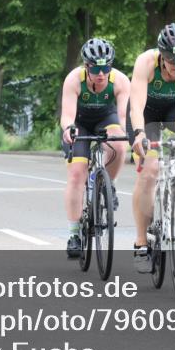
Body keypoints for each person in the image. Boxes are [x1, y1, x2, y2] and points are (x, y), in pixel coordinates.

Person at [128, 23, 175, 273]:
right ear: (161, 54)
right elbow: (136, 105)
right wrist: (139, 134)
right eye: (169, 58)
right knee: (150, 170)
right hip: (147, 116)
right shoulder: (146, 62)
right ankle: (141, 241)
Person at [59, 37, 131, 258]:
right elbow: (67, 115)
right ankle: (74, 234)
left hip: (105, 119)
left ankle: (109, 184)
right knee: (76, 174)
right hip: (79, 123)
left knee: (119, 145)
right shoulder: (74, 79)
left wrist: (128, 133)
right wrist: (69, 129)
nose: (101, 74)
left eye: (106, 68)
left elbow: (122, 116)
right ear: (86, 66)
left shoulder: (120, 81)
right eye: (95, 69)